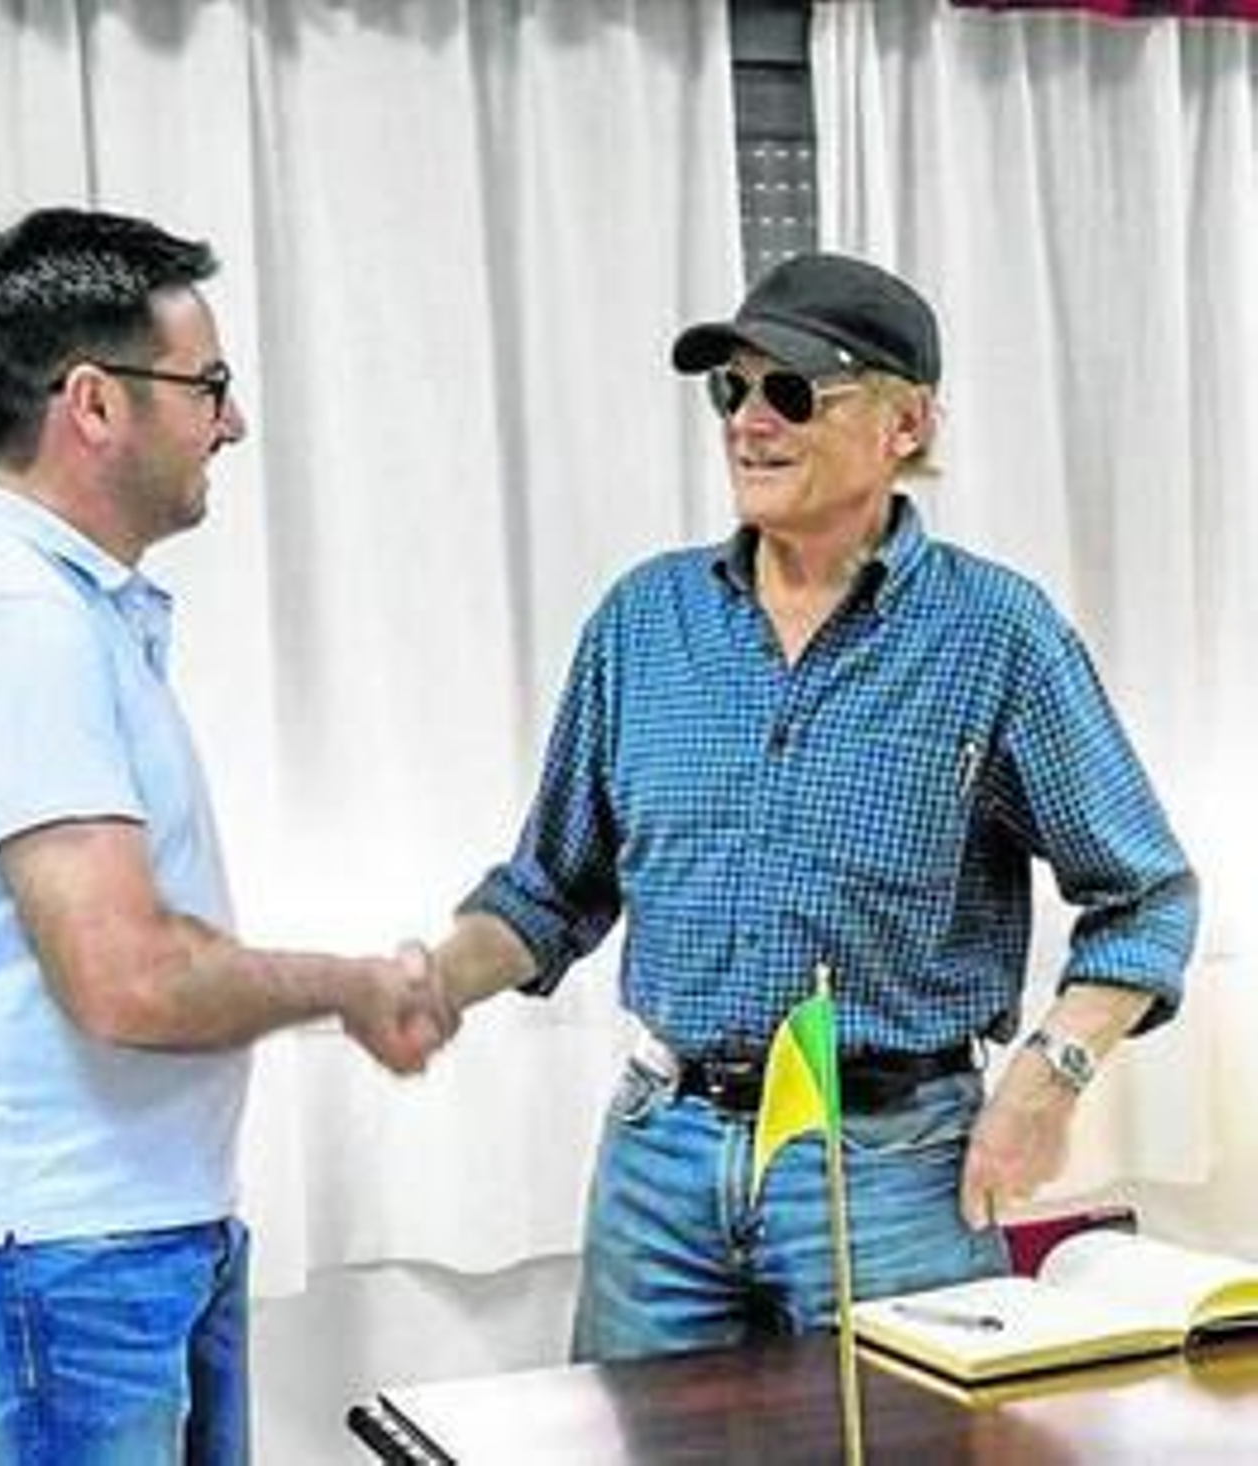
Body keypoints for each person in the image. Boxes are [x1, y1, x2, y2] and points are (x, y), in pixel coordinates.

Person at [423, 252, 1198, 1360]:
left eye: (791, 391)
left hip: (893, 1169)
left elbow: (1147, 897)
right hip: (660, 1162)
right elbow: (551, 888)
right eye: (730, 389)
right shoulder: (643, 623)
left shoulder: (998, 637)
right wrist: (425, 981)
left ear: (905, 425)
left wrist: (1048, 1078)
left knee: (904, 1438)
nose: (749, 422)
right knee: (634, 1442)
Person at [0, 206, 453, 1464]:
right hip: (57, 1250)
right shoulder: (17, 625)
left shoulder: (63, 613)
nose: (230, 423)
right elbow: (125, 977)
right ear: (93, 402)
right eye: (208, 386)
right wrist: (351, 984)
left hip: (117, 1231)